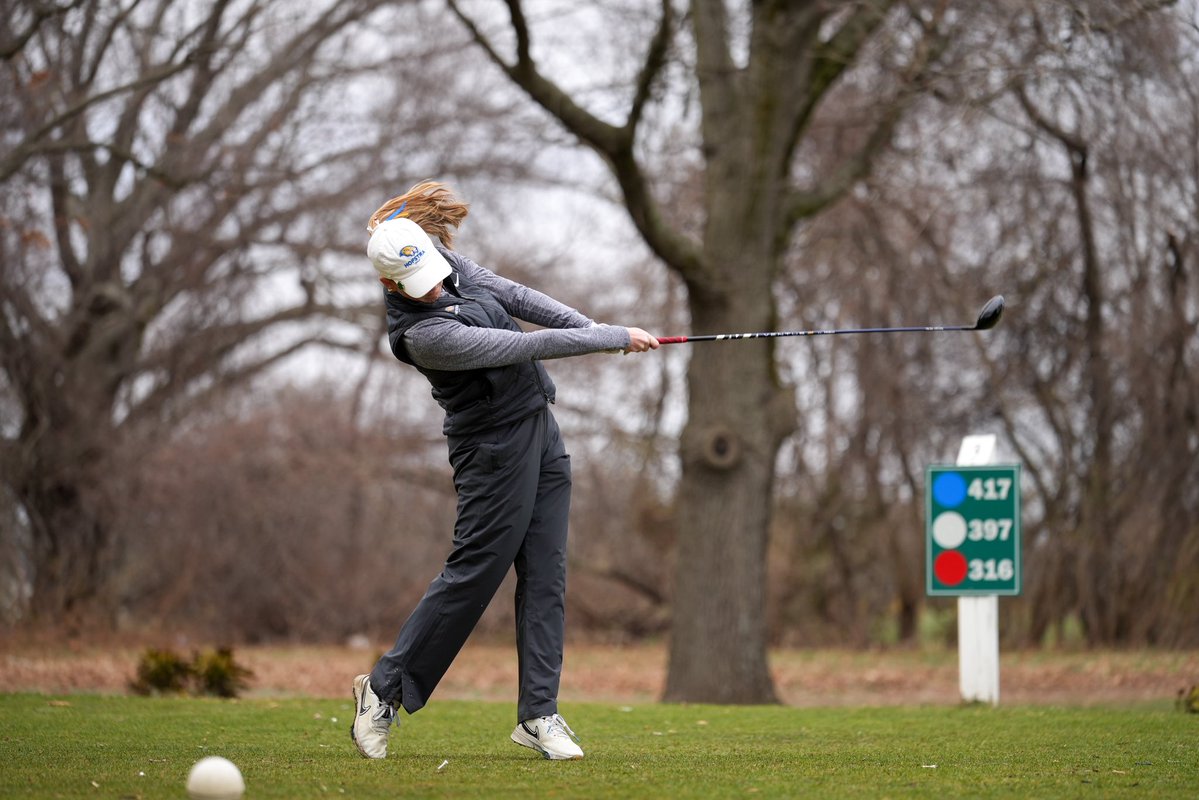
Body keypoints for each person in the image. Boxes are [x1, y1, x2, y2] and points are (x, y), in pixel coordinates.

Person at [350, 181, 659, 761]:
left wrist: (592, 327)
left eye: (433, 272)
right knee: (475, 574)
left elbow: (516, 296)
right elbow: (516, 347)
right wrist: (609, 339)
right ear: (390, 285)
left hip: (540, 430)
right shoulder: (422, 336)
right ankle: (383, 691)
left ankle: (539, 713)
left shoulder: (444, 263)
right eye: (419, 285)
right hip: (490, 450)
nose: (435, 286)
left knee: (547, 573)